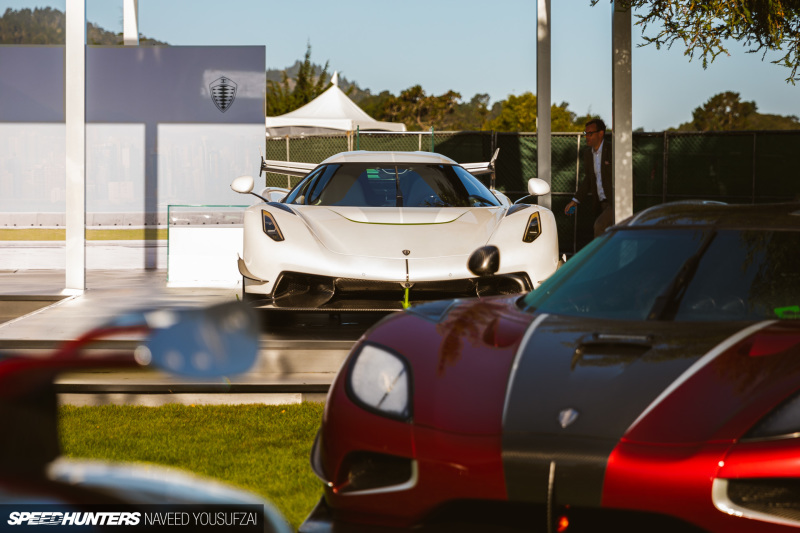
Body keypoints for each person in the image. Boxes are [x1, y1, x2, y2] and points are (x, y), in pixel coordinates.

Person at [564, 118, 614, 237]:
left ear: (601, 133)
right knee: (607, 233)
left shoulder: (613, 150)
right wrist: (574, 201)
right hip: (600, 203)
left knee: (599, 227)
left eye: (590, 133)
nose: (587, 136)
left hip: (615, 202)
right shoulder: (588, 154)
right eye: (586, 133)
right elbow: (588, 180)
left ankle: (601, 256)